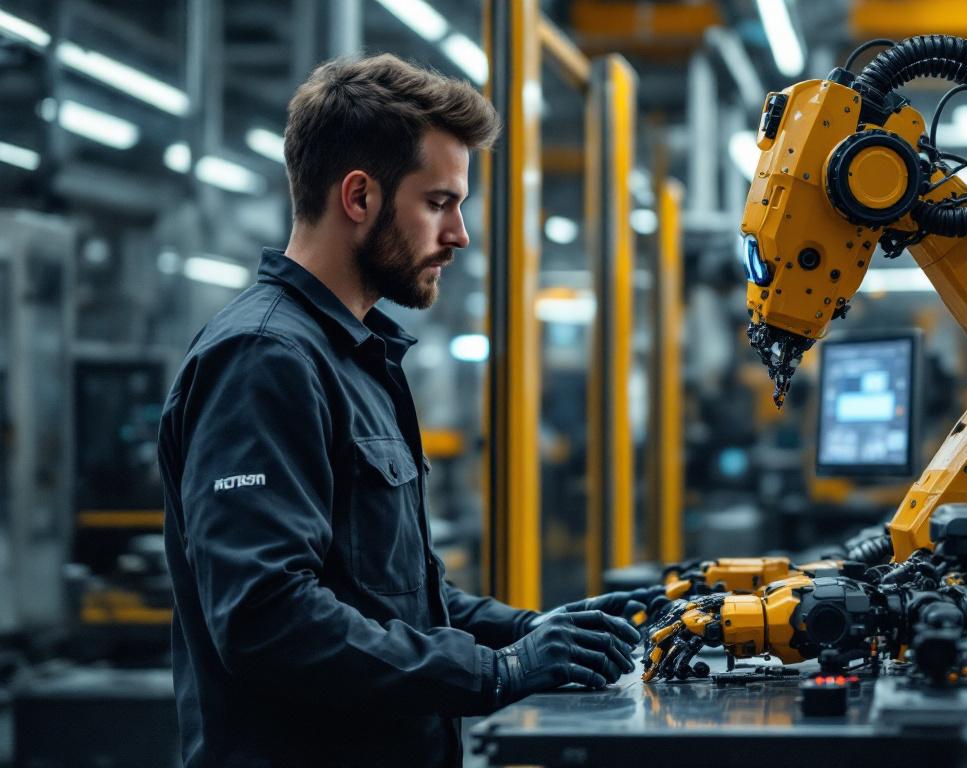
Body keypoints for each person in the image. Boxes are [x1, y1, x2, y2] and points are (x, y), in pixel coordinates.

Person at [158, 54, 648, 767]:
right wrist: (498, 673)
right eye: (439, 203)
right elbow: (267, 618)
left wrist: (533, 632)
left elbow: (395, 595)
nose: (459, 236)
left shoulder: (358, 357)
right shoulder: (265, 360)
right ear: (358, 197)